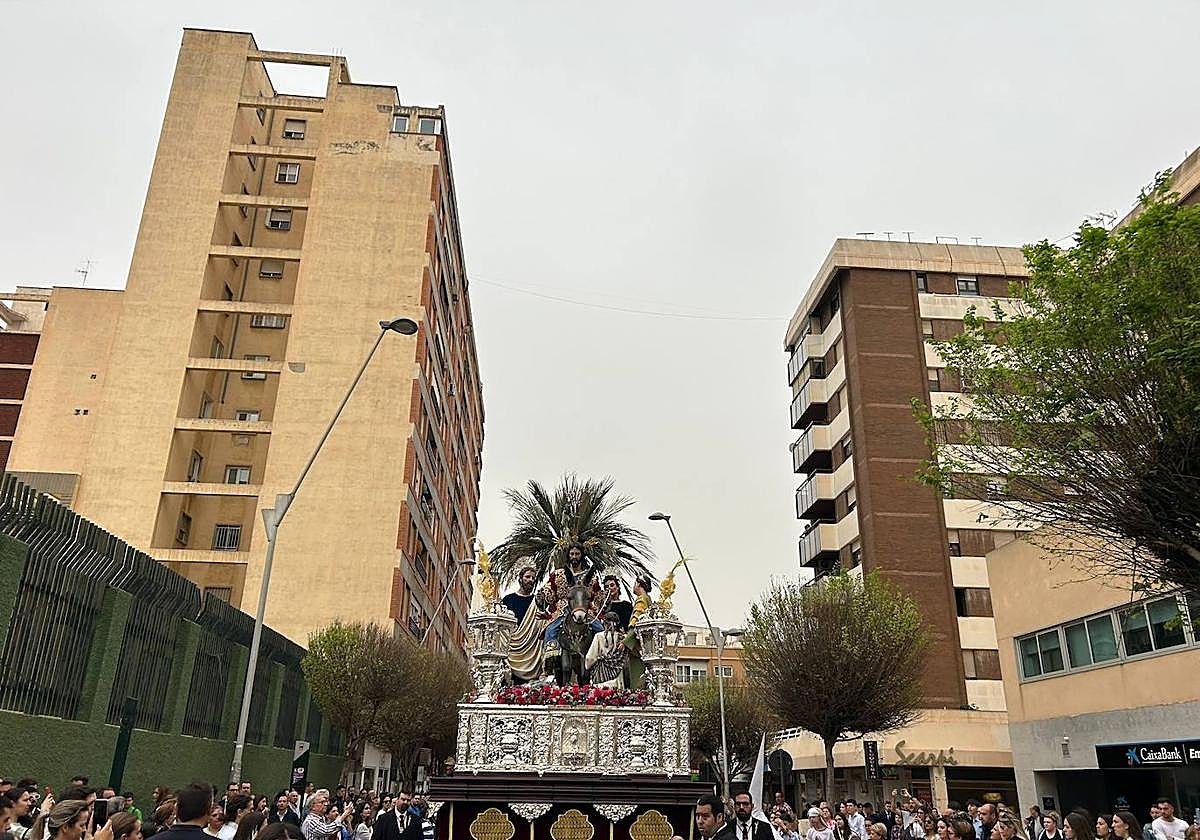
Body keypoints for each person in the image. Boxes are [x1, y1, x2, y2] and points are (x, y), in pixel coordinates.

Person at [502, 564, 548, 682]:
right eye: (527, 577)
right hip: (512, 649)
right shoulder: (508, 600)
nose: (531, 580)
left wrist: (542, 608)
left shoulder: (537, 601)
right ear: (520, 579)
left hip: (533, 651)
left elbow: (543, 621)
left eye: (533, 578)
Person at [585, 611, 631, 687]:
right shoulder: (623, 638)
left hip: (601, 675)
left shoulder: (599, 636)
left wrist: (588, 666)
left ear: (604, 623)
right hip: (618, 675)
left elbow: (590, 657)